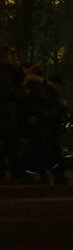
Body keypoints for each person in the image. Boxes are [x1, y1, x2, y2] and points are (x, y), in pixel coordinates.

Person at [23, 68, 67, 184]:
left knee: (38, 154)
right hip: (47, 129)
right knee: (47, 154)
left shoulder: (43, 92)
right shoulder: (50, 95)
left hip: (45, 129)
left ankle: (36, 176)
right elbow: (50, 112)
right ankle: (55, 175)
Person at [0, 46, 26, 182]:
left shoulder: (10, 72)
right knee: (10, 144)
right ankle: (14, 174)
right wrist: (22, 93)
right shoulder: (4, 73)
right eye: (10, 56)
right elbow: (10, 92)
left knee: (9, 145)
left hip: (9, 115)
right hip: (6, 115)